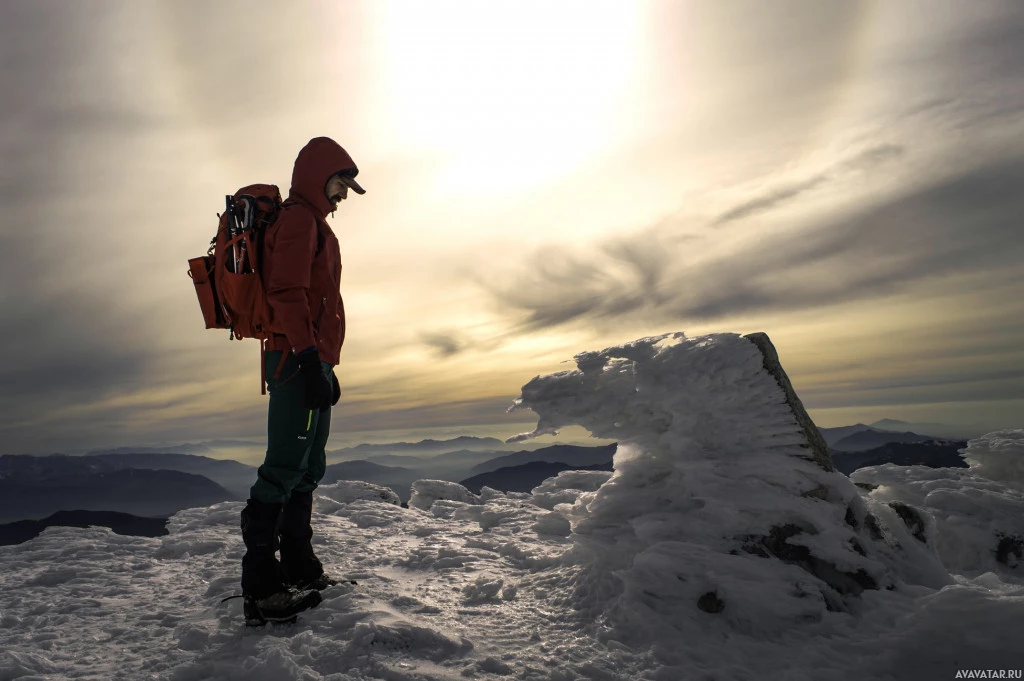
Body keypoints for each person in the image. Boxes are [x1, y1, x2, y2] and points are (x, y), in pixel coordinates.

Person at [240, 136, 366, 625]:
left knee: (309, 463)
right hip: (294, 358)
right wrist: (310, 359)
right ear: (319, 176)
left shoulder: (316, 225)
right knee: (284, 465)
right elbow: (286, 292)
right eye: (340, 183)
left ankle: (299, 566)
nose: (343, 195)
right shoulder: (297, 220)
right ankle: (262, 588)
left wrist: (325, 363)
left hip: (314, 358)